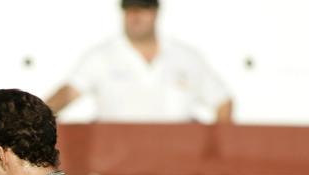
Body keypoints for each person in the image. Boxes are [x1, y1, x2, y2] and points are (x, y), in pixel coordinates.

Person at [45, 0, 233, 123]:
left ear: (155, 12)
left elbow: (223, 101)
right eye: (129, 9)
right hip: (116, 166)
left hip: (178, 169)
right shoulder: (102, 56)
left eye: (142, 8)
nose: (135, 16)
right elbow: (69, 93)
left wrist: (214, 150)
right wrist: (35, 119)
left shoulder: (186, 57)